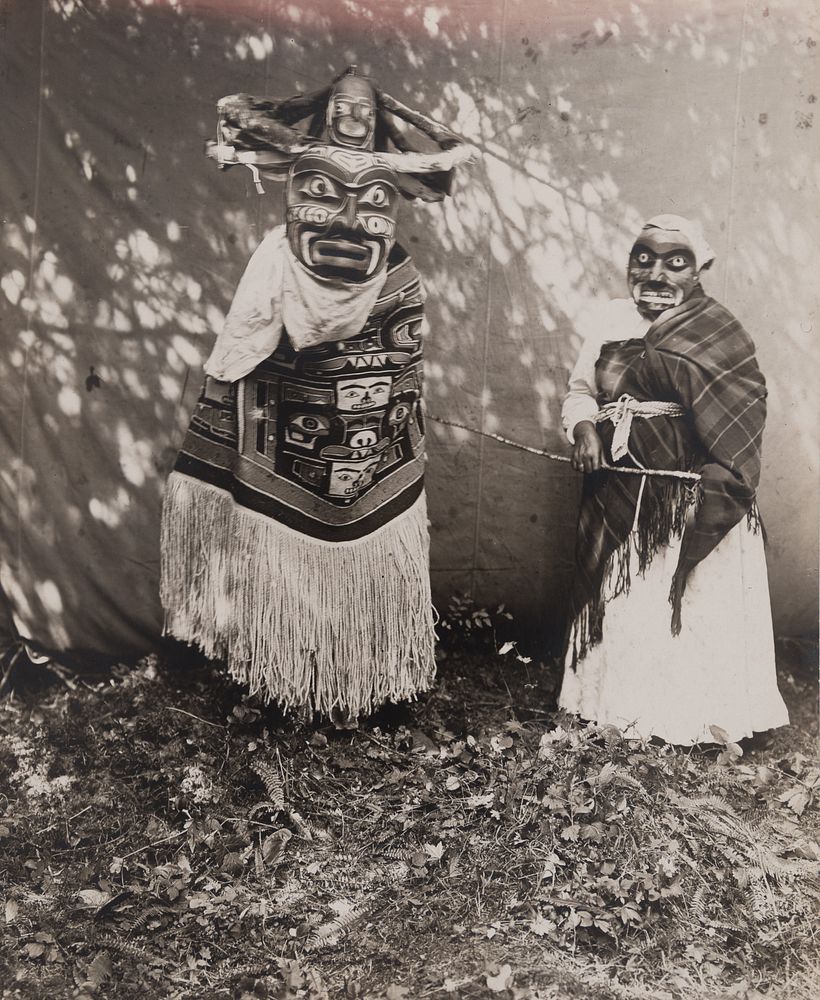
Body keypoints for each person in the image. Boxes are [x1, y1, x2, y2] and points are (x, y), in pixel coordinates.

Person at [160, 68, 475, 722]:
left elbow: (447, 158)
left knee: (370, 527)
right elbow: (234, 110)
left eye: (365, 108)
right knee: (275, 528)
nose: (350, 217)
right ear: (327, 108)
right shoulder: (282, 229)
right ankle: (284, 677)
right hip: (287, 341)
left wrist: (398, 106)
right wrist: (301, 120)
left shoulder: (399, 274)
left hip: (373, 351)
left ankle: (368, 676)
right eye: (344, 104)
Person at [559, 214, 789, 745]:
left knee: (688, 601)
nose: (656, 273)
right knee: (625, 600)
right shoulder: (608, 320)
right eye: (644, 258)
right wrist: (585, 428)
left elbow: (738, 419)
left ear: (700, 269)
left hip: (688, 499)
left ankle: (698, 722)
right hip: (620, 489)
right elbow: (579, 392)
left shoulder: (718, 330)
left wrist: (706, 484)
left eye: (675, 262)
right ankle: (615, 711)